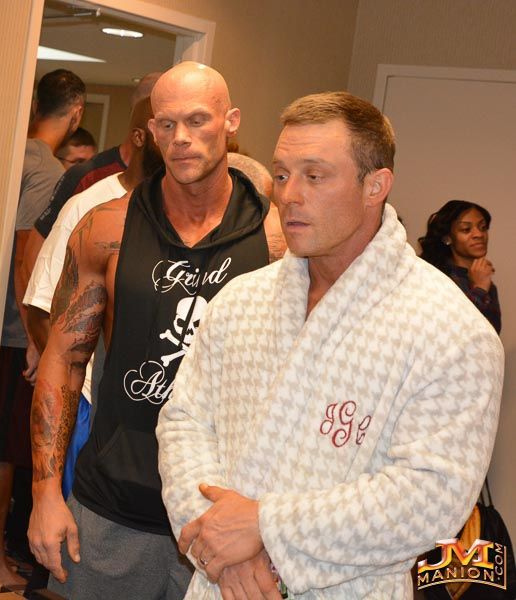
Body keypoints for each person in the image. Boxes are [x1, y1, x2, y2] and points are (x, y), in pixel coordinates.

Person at [157, 92, 504, 599]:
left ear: (375, 186)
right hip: (217, 584)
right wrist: (218, 546)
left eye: (315, 176)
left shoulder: (450, 330)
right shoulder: (241, 301)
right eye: (281, 175)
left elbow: (430, 496)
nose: (289, 195)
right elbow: (184, 422)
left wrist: (267, 529)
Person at [28, 62, 285, 600]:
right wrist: (46, 493)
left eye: (198, 120)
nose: (181, 138)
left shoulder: (276, 237)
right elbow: (64, 360)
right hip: (112, 507)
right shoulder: (107, 227)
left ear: (231, 121)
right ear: (149, 130)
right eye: (167, 124)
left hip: (225, 517)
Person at [23, 96, 163, 500]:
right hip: (89, 403)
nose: (179, 139)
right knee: (77, 515)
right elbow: (40, 306)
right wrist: (77, 387)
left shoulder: (179, 215)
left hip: (148, 412)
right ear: (140, 136)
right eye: (165, 127)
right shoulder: (89, 205)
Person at [0, 68, 85, 587]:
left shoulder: (10, 152)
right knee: (4, 450)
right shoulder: (45, 168)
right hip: (12, 333)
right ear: (77, 113)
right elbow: (28, 250)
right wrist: (33, 337)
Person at [418, 200, 500, 332]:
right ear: (447, 238)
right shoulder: (436, 279)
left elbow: (492, 333)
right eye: (466, 229)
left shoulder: (486, 281)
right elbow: (457, 330)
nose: (479, 234)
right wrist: (479, 290)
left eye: (483, 227)